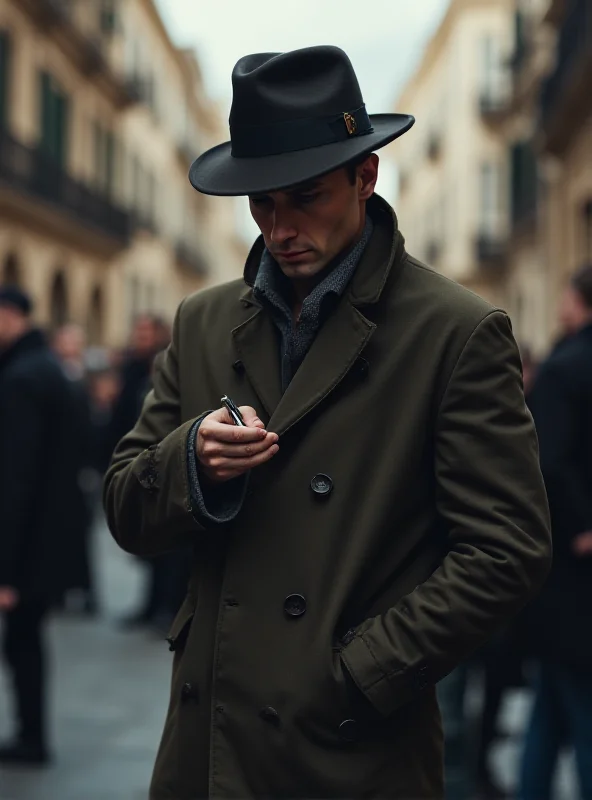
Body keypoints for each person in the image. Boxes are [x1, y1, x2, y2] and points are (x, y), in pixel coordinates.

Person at [104, 46, 552, 799]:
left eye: (304, 196)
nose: (281, 228)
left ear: (365, 177)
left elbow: (508, 549)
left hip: (352, 752)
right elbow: (123, 503)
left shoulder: (455, 330)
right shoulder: (205, 319)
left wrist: (364, 669)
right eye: (262, 204)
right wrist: (190, 461)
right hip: (206, 751)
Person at [519, 264, 592, 800]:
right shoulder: (568, 366)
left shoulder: (565, 367)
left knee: (558, 706)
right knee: (568, 701)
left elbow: (547, 462)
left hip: (567, 573)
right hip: (569, 574)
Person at [0, 287, 79, 765]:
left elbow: (15, 477)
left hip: (27, 545)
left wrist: (5, 570)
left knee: (23, 642)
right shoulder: (44, 368)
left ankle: (32, 738)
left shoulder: (23, 377)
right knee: (26, 640)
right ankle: (31, 734)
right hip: (45, 537)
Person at [52, 323, 97, 615]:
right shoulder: (56, 373)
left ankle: (84, 591)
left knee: (79, 533)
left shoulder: (82, 376)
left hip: (77, 468)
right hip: (60, 468)